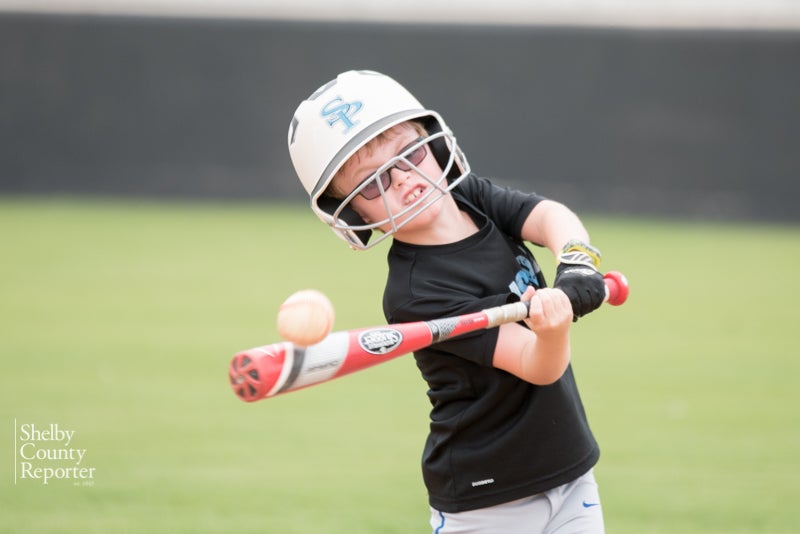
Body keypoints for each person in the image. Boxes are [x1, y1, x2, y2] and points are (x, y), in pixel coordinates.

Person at [288, 70, 608, 533]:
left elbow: (548, 217)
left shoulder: (469, 196)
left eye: (412, 153)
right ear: (356, 217)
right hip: (486, 499)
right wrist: (553, 331)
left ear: (436, 147)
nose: (405, 179)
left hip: (570, 470)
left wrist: (577, 262)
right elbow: (539, 365)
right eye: (374, 183)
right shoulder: (417, 294)